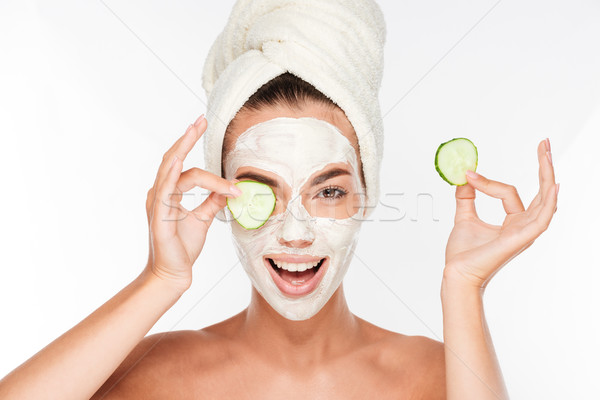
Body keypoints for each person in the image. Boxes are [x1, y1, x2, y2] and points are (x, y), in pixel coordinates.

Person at [0, 1, 559, 399]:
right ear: (218, 197)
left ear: (367, 195)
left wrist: (466, 288)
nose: (295, 234)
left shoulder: (437, 378)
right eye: (258, 191)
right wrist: (159, 281)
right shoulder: (152, 375)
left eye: (330, 190)